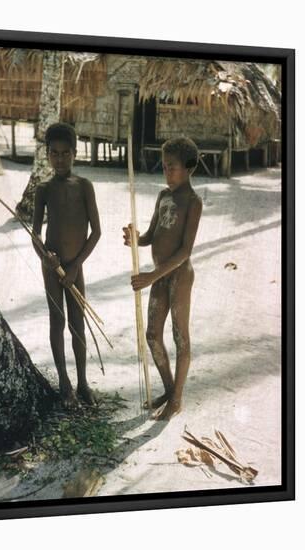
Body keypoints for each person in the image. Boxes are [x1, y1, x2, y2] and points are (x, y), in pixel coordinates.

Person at [123, 137, 203, 420]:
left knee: (180, 336)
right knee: (152, 334)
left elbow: (184, 251)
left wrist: (151, 276)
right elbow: (150, 236)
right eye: (165, 166)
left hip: (179, 276)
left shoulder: (193, 202)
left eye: (172, 167)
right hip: (159, 276)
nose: (166, 172)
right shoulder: (162, 196)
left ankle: (177, 399)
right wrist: (136, 239)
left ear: (189, 169)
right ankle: (170, 390)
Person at [32, 122, 101, 408]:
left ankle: (83, 382)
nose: (59, 159)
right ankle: (64, 383)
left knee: (78, 325)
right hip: (52, 268)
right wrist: (45, 256)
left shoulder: (84, 186)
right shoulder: (43, 189)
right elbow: (35, 233)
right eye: (54, 153)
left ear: (75, 153)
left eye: (65, 153)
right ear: (47, 154)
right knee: (57, 322)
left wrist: (75, 267)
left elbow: (96, 231)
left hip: (75, 268)